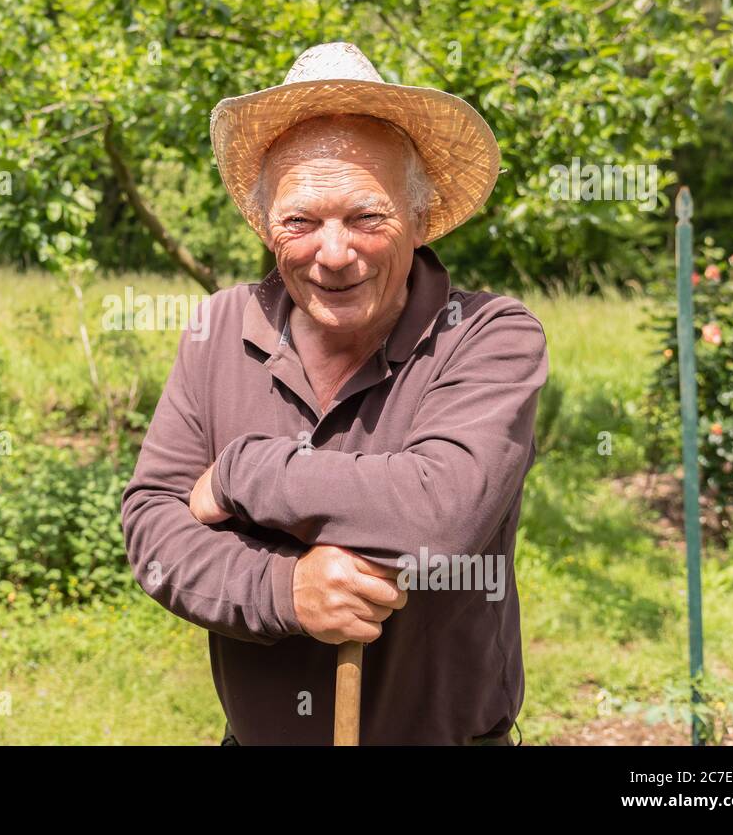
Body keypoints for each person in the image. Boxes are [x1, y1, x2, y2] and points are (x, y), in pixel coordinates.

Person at [120, 41, 548, 745]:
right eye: (300, 221)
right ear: (265, 226)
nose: (335, 252)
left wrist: (240, 472)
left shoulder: (489, 337)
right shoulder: (219, 328)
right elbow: (153, 523)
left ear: (419, 217)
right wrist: (282, 591)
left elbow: (439, 512)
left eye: (366, 217)